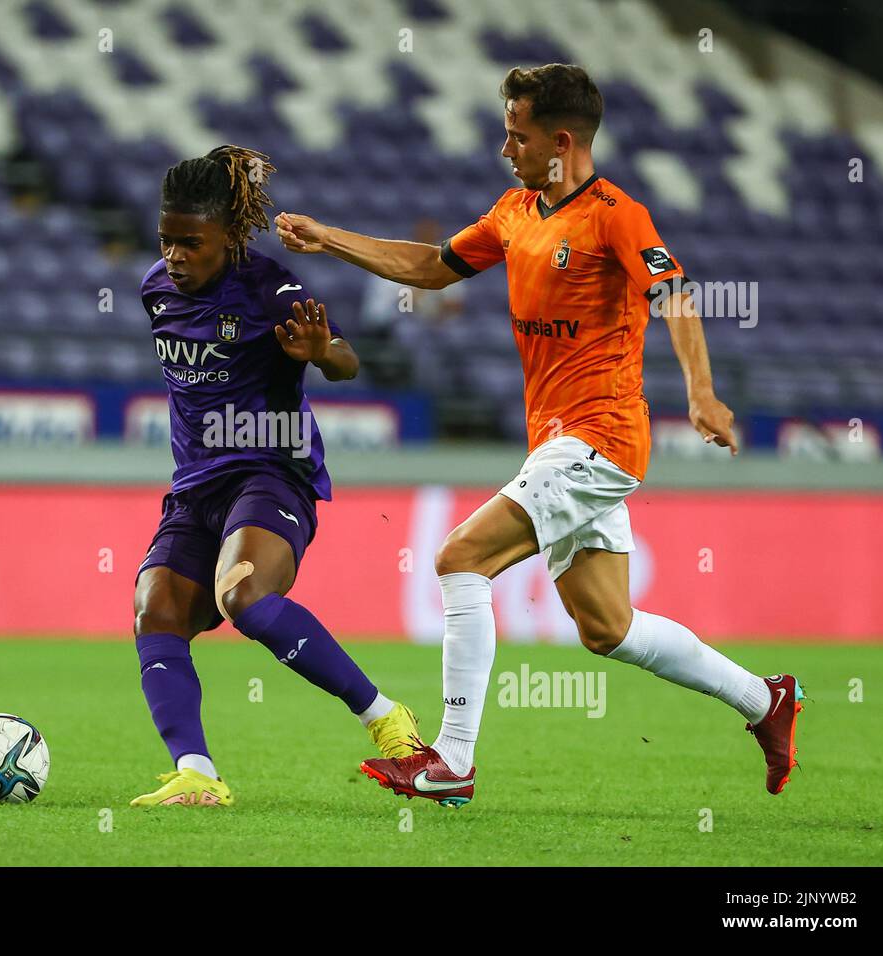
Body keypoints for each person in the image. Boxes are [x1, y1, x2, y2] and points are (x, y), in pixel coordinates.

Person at [276, 65, 803, 807]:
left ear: (561, 142)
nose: (504, 148)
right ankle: (764, 700)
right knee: (607, 627)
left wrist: (703, 393)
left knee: (460, 558)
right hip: (557, 444)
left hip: (600, 437)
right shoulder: (514, 211)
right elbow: (431, 268)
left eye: (516, 135)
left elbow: (676, 294)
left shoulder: (617, 215)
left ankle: (451, 761)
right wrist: (329, 238)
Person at [130, 144, 421, 808]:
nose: (174, 256)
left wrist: (322, 353)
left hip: (270, 471)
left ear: (229, 238)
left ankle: (384, 719)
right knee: (156, 609)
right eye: (167, 241)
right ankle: (197, 773)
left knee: (242, 595)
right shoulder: (156, 289)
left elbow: (346, 359)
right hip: (196, 486)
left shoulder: (270, 288)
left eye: (190, 243)